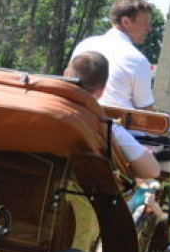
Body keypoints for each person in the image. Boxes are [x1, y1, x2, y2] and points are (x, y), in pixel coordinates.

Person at [64, 51, 160, 180]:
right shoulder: (108, 128)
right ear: (102, 90)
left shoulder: (34, 107)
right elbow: (152, 171)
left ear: (65, 74)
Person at [70, 0, 156, 110]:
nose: (149, 28)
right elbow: (146, 113)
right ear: (126, 22)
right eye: (146, 23)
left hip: (78, 119)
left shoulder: (84, 45)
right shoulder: (138, 60)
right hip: (114, 125)